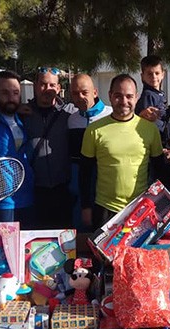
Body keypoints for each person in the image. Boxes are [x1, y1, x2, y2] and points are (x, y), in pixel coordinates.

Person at [79, 74, 163, 230]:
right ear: (110, 96)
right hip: (105, 208)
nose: (124, 101)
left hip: (141, 208)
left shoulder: (150, 130)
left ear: (136, 98)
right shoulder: (94, 130)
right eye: (118, 96)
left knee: (137, 255)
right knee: (102, 255)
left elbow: (160, 171)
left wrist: (158, 205)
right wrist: (86, 207)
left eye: (129, 96)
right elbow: (85, 173)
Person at [24, 67, 76, 229]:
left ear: (59, 89)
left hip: (63, 190)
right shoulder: (23, 113)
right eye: (43, 84)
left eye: (52, 85)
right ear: (35, 86)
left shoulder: (70, 113)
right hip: (34, 190)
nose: (48, 89)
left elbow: (95, 114)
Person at [0, 70, 33, 228]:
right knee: (3, 251)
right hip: (0, 203)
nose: (11, 98)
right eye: (4, 92)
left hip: (27, 199)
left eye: (15, 92)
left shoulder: (25, 119)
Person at [68, 74, 112, 230]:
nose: (80, 97)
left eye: (84, 92)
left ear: (95, 92)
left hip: (105, 187)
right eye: (75, 93)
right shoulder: (71, 119)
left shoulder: (111, 115)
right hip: (79, 189)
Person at [134, 55, 167, 132]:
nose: (154, 77)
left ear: (163, 74)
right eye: (149, 74)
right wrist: (166, 130)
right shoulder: (148, 95)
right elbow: (148, 121)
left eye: (157, 73)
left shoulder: (159, 94)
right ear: (142, 76)